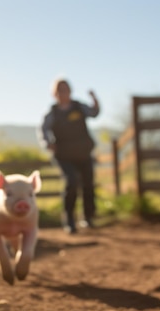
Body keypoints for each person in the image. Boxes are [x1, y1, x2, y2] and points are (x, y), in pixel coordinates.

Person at [39, 78, 100, 234]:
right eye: (59, 90)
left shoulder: (79, 107)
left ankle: (88, 218)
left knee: (88, 185)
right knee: (71, 182)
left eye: (65, 89)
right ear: (54, 93)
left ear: (70, 91)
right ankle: (70, 221)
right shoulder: (52, 113)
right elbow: (43, 130)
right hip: (64, 155)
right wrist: (48, 143)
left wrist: (94, 99)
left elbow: (94, 113)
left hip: (84, 153)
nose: (63, 93)